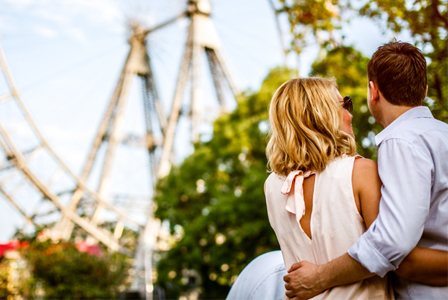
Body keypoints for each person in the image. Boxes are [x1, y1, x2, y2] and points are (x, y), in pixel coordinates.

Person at [283, 42, 448, 299]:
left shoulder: (400, 141)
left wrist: (319, 277)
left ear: (373, 91)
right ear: (424, 90)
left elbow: (393, 245)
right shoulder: (442, 135)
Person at [265, 76, 394, 299]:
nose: (350, 114)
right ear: (321, 115)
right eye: (344, 106)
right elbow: (386, 253)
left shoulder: (272, 186)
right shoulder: (360, 172)